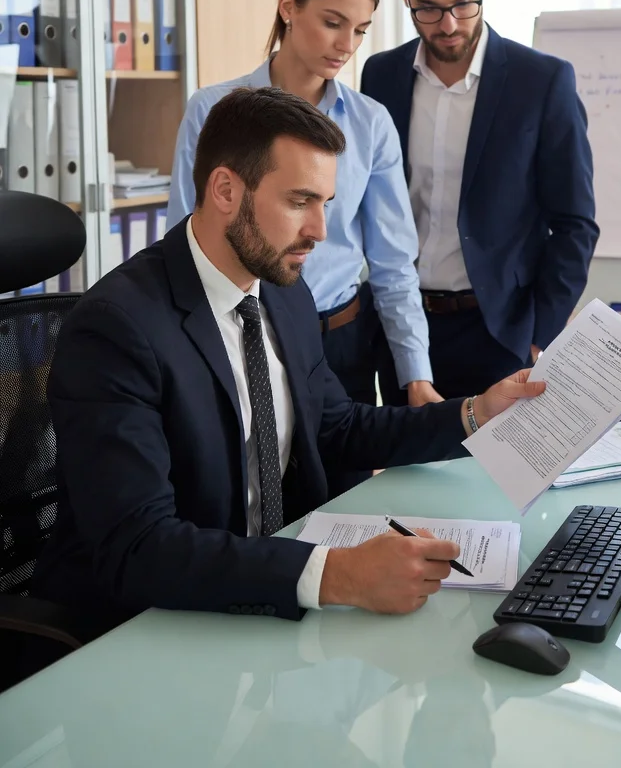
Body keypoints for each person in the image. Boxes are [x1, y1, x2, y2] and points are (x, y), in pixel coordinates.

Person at [33, 87, 546, 620]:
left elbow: (338, 426)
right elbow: (139, 548)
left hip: (258, 592)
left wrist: (476, 413)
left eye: (325, 204)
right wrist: (339, 575)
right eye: (299, 202)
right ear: (226, 190)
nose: (320, 231)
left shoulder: (282, 291)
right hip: (143, 623)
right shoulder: (116, 330)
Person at [167, 0, 440, 421]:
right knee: (254, 469)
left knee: (345, 467)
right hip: (240, 333)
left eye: (360, 30)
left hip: (340, 343)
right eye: (333, 22)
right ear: (288, 6)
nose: (347, 45)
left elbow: (393, 263)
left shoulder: (370, 123)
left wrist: (416, 374)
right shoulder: (213, 109)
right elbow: (183, 240)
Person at [361, 0, 599, 404]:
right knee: (406, 456)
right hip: (402, 327)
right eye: (428, 9)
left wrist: (540, 334)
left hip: (501, 334)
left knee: (498, 458)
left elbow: (575, 222)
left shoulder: (541, 82)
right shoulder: (380, 77)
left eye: (464, 4)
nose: (449, 25)